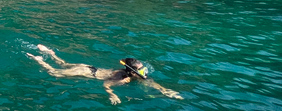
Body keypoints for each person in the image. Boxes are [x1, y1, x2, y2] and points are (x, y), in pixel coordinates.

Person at [27, 44, 182, 105]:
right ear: (130, 72)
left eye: (143, 69)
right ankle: (39, 59)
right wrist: (112, 94)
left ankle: (51, 53)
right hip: (86, 72)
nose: (143, 73)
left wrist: (165, 90)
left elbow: (149, 82)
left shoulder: (132, 75)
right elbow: (106, 84)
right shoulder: (122, 79)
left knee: (63, 64)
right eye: (140, 71)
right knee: (55, 73)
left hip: (90, 67)